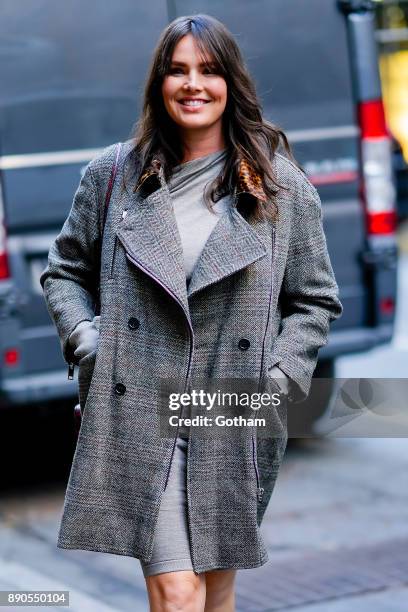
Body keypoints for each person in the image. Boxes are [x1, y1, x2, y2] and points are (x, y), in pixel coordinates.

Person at [40, 13, 343, 612]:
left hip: (234, 406)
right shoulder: (115, 175)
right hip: (140, 405)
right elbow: (64, 270)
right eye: (177, 70)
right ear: (159, 84)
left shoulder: (280, 188)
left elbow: (315, 300)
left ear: (231, 83)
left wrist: (277, 379)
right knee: (178, 592)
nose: (192, 84)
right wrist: (86, 338)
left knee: (216, 590)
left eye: (208, 70)